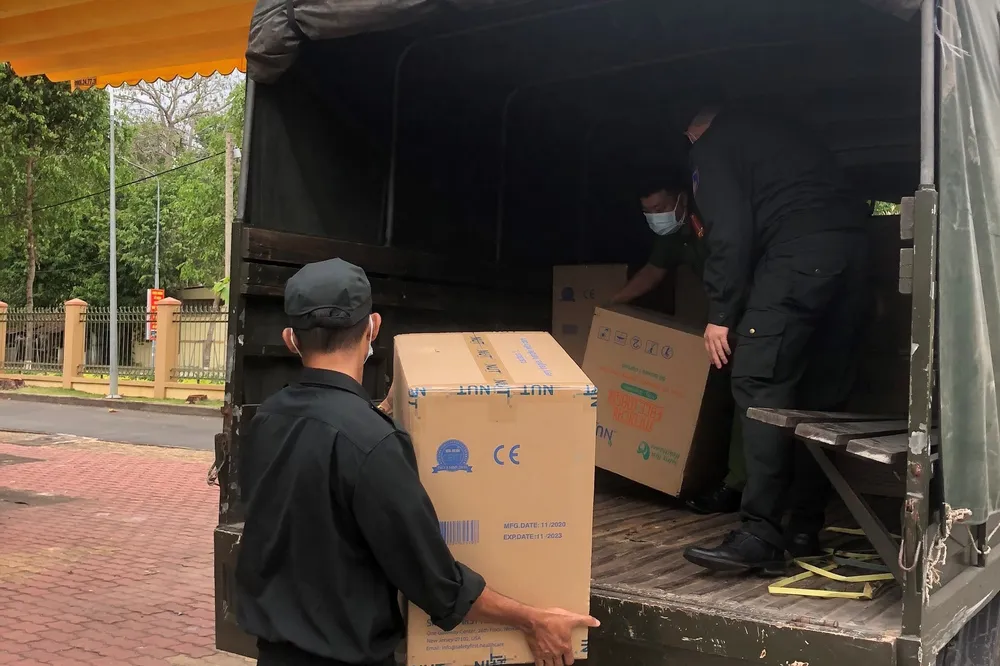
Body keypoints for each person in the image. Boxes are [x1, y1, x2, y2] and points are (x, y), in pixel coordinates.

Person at [235, 257, 599, 666]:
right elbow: (434, 583)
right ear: (373, 328)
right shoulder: (372, 443)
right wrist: (533, 619)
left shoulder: (267, 419)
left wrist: (373, 419)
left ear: (290, 339)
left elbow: (316, 475)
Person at [680, 108, 870, 574]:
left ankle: (759, 533)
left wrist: (721, 314)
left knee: (758, 383)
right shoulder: (790, 132)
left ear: (694, 131)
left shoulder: (712, 145)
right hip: (854, 261)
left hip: (797, 258)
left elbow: (729, 231)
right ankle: (804, 529)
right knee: (822, 400)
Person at [611, 172, 744, 515]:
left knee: (747, 395)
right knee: (724, 392)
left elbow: (737, 267)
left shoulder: (716, 218)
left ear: (682, 199)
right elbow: (653, 271)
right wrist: (612, 304)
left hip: (747, 313)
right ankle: (716, 474)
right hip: (722, 320)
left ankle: (736, 486)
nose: (655, 216)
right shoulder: (675, 235)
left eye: (660, 208)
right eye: (648, 211)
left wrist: (725, 318)